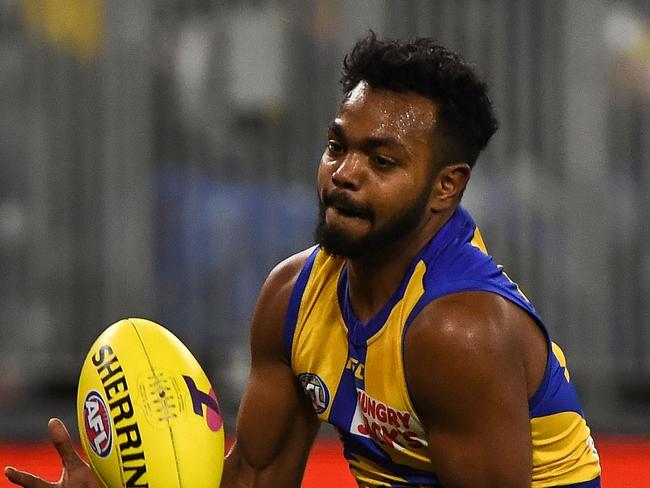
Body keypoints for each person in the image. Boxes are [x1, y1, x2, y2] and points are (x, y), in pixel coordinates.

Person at [5, 33, 601, 488]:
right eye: (338, 145)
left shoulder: (457, 329)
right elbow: (256, 477)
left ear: (446, 187)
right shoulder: (292, 293)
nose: (344, 173)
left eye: (382, 161)